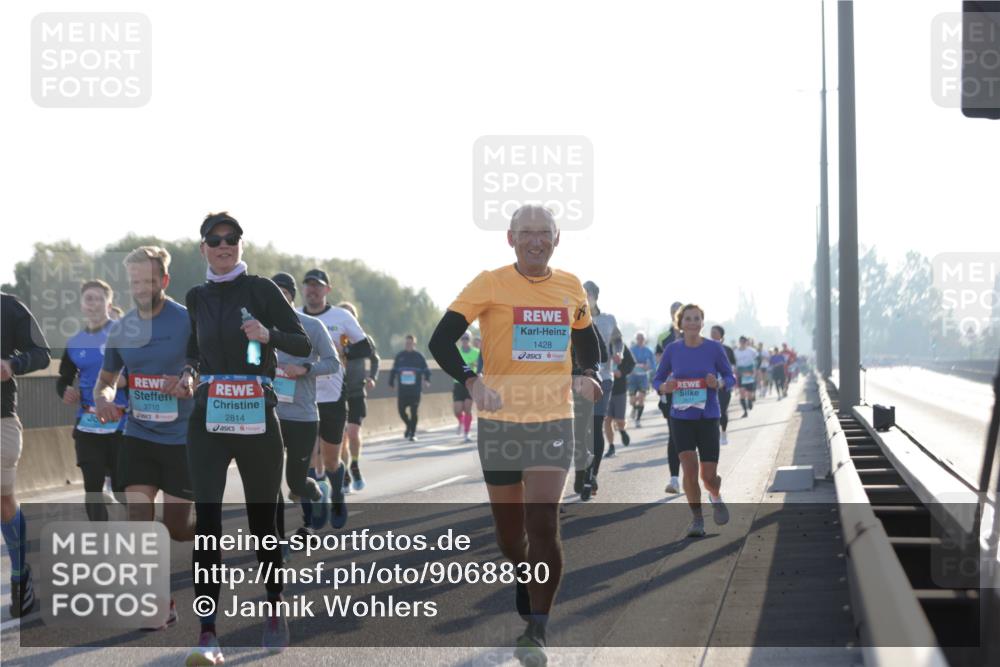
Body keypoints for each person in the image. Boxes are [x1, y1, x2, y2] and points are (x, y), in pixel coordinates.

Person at [428, 205, 601, 666]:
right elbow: (440, 340)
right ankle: (525, 573)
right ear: (511, 238)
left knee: (543, 518)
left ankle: (537, 629)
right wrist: (471, 380)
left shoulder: (570, 285)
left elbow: (587, 337)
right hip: (501, 422)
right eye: (527, 233)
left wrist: (588, 372)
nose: (536, 241)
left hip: (553, 420)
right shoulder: (489, 282)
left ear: (557, 239)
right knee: (510, 537)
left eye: (544, 233)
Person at [181, 212, 311, 663]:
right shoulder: (195, 297)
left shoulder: (261, 290)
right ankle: (207, 632)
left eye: (231, 239)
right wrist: (188, 372)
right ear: (203, 248)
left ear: (240, 244)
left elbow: (302, 343)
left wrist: (267, 333)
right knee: (209, 524)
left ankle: (274, 608)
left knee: (263, 522)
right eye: (215, 240)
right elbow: (194, 351)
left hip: (257, 415)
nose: (223, 246)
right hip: (209, 421)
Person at [95, 246, 197, 631]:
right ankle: (160, 602)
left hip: (183, 439)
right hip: (138, 434)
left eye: (148, 281)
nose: (139, 288)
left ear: (164, 281)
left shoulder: (187, 322)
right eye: (134, 281)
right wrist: (104, 400)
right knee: (139, 518)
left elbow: (205, 366)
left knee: (177, 527)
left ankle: (204, 527)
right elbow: (106, 381)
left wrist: (190, 381)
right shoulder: (122, 328)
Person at [652, 304, 735, 538]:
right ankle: (697, 518)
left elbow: (730, 377)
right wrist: (664, 387)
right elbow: (657, 380)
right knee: (689, 470)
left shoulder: (714, 349)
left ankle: (715, 496)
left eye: (696, 318)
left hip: (708, 416)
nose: (692, 322)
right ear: (680, 322)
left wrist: (717, 383)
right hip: (680, 417)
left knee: (708, 477)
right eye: (687, 318)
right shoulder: (672, 350)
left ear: (702, 322)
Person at [270, 272, 339, 545]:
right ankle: (274, 537)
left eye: (282, 293)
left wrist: (305, 368)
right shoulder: (257, 328)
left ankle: (313, 506)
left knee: (296, 482)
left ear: (290, 296)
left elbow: (333, 363)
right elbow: (249, 359)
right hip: (268, 413)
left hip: (302, 416)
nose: (276, 298)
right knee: (269, 479)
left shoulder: (311, 326)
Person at [300, 269, 373, 530]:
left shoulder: (340, 317)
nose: (312, 291)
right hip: (303, 398)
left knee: (331, 459)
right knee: (306, 457)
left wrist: (344, 350)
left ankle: (338, 494)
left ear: (327, 290)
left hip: (333, 396)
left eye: (317, 286)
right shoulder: (294, 317)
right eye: (308, 286)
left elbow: (366, 347)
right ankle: (314, 509)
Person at [57, 279, 128, 521]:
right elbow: (63, 378)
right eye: (89, 299)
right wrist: (66, 390)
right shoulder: (74, 342)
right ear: (82, 305)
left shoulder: (124, 335)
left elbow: (140, 372)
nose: (94, 304)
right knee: (93, 487)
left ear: (109, 303)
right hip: (88, 421)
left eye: (99, 299)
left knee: (121, 489)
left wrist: (119, 383)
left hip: (122, 421)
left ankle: (142, 530)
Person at [1, 292, 50, 618]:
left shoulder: (8, 306)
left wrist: (12, 364)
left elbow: (42, 354)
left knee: (2, 500)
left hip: (0, 418)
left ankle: (21, 575)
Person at [336, 302, 379, 493]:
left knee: (353, 434)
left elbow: (375, 359)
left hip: (357, 392)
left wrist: (372, 377)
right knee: (342, 437)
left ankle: (354, 465)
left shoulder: (362, 339)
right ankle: (344, 474)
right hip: (337, 393)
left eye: (350, 315)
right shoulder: (335, 338)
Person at [583, 281, 621, 459]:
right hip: (580, 378)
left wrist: (618, 353)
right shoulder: (573, 317)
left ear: (596, 296)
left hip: (604, 376)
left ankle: (593, 472)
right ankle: (586, 455)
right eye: (583, 293)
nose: (586, 297)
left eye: (589, 293)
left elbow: (617, 340)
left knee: (597, 421)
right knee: (584, 423)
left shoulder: (608, 319)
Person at [655, 301, 683, 494]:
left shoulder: (695, 337)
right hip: (670, 393)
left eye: (679, 312)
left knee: (689, 437)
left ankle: (691, 476)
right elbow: (660, 364)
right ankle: (674, 479)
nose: (676, 315)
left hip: (692, 393)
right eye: (674, 312)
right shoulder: (663, 337)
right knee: (674, 435)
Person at [389, 334, 432, 441]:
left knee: (414, 411)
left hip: (415, 390)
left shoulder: (419, 356)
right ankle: (409, 425)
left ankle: (412, 433)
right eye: (407, 343)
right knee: (401, 411)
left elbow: (427, 370)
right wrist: (391, 382)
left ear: (414, 344)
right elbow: (393, 370)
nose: (408, 345)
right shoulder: (400, 356)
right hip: (403, 390)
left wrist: (427, 380)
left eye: (410, 343)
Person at [607, 336, 636, 449]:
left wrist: (621, 371)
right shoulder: (600, 345)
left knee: (619, 420)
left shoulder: (621, 346)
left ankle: (622, 431)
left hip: (620, 388)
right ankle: (611, 446)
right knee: (607, 419)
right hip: (605, 388)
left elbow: (632, 363)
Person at [710, 326, 736, 445]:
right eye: (711, 333)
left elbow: (733, 367)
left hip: (723, 386)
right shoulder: (706, 348)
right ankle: (713, 435)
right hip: (709, 386)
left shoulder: (727, 350)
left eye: (715, 333)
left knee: (722, 410)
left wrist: (725, 379)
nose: (712, 335)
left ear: (721, 336)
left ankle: (723, 433)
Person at [452, 332, 480, 442]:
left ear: (470, 340)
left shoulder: (476, 352)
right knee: (457, 410)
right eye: (463, 338)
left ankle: (467, 433)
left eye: (466, 338)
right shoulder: (456, 352)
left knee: (467, 408)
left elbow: (481, 365)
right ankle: (461, 421)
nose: (464, 340)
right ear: (460, 340)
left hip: (470, 383)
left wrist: (475, 365)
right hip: (458, 383)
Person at [628, 332, 655, 428]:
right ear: (636, 339)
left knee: (641, 399)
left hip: (643, 377)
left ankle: (638, 420)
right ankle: (634, 408)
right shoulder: (631, 350)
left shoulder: (649, 351)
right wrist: (636, 366)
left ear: (644, 339)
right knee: (632, 400)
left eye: (642, 338)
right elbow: (627, 362)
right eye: (638, 338)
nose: (640, 340)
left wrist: (649, 367)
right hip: (632, 377)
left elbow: (653, 365)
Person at [733, 336, 758, 418]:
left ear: (746, 342)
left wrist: (755, 369)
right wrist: (734, 370)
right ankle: (745, 411)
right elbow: (734, 362)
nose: (742, 343)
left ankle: (750, 401)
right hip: (740, 373)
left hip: (749, 372)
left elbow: (758, 359)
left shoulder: (751, 351)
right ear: (739, 342)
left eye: (744, 342)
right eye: (741, 341)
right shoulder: (735, 352)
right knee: (742, 393)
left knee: (749, 393)